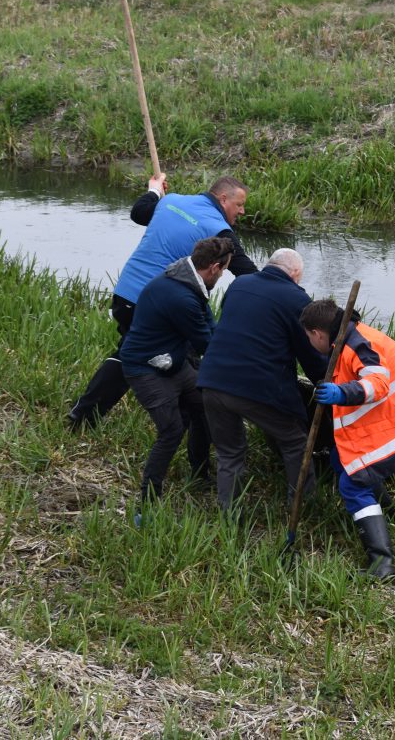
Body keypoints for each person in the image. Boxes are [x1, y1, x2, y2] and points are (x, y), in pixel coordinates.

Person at [68, 173, 258, 429]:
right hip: (161, 305)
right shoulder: (218, 229)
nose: (243, 211)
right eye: (239, 204)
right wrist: (279, 289)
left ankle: (84, 416)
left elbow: (139, 213)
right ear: (223, 199)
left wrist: (154, 191)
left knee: (133, 354)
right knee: (182, 360)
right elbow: (246, 272)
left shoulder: (172, 202)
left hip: (125, 293)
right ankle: (191, 428)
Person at [300, 298, 395, 580]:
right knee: (339, 459)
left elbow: (377, 383)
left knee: (352, 483)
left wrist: (341, 394)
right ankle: (387, 515)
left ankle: (382, 564)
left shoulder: (358, 344)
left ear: (317, 333)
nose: (310, 344)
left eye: (309, 338)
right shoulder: (347, 339)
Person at [197, 248, 327, 513]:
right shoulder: (296, 299)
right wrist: (325, 382)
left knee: (229, 452)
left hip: (212, 380)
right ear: (295, 274)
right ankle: (303, 508)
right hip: (258, 387)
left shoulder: (240, 284)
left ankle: (229, 515)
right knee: (294, 442)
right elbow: (309, 352)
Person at [121, 236, 232, 516]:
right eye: (226, 270)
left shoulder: (189, 281)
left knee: (204, 408)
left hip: (174, 363)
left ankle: (199, 472)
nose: (223, 276)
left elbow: (211, 327)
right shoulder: (181, 296)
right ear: (215, 267)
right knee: (171, 430)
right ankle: (148, 499)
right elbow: (207, 344)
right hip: (145, 368)